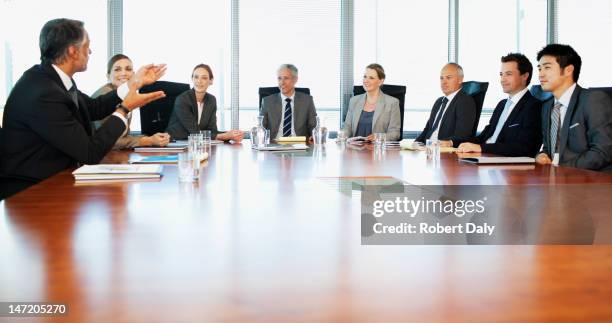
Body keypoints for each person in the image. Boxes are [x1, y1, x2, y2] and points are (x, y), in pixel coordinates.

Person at [0, 18, 166, 194]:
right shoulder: (43, 92)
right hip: (29, 193)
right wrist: (124, 109)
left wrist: (134, 82)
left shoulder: (53, 79)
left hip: (55, 181)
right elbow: (89, 153)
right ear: (73, 51)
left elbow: (94, 107)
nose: (90, 51)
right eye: (87, 46)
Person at [442, 53, 542, 156]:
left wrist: (481, 148)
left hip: (503, 164)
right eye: (501, 74)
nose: (502, 79)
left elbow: (524, 147)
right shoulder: (502, 105)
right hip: (485, 157)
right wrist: (452, 143)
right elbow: (483, 137)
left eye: (508, 74)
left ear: (525, 76)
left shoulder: (533, 106)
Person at [535, 44, 612, 172]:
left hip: (589, 181)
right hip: (556, 180)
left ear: (568, 70)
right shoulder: (547, 106)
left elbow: (603, 151)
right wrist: (542, 155)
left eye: (547, 68)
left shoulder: (593, 99)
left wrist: (561, 168)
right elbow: (549, 149)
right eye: (539, 69)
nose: (541, 74)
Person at [92, 54, 170, 149]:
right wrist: (148, 140)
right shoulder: (103, 97)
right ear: (108, 75)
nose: (124, 73)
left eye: (128, 69)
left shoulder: (127, 94)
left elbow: (123, 136)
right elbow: (110, 141)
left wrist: (151, 138)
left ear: (133, 74)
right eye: (117, 69)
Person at [166, 64, 243, 141]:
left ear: (211, 81)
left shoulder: (211, 100)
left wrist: (232, 135)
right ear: (192, 79)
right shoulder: (183, 100)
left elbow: (212, 131)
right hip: (175, 144)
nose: (199, 81)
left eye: (204, 78)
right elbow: (195, 132)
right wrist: (225, 136)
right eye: (196, 77)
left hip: (198, 144)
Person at [415, 63, 477, 144]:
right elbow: (427, 130)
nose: (444, 82)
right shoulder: (439, 102)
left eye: (448, 78)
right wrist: (415, 143)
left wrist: (446, 143)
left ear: (460, 80)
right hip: (427, 149)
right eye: (441, 78)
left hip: (444, 151)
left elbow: (462, 136)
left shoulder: (465, 101)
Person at [342, 63, 401, 141]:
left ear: (381, 81)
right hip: (355, 149)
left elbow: (395, 133)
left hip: (377, 150)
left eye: (371, 78)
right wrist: (343, 136)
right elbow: (347, 127)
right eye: (365, 77)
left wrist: (378, 137)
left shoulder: (392, 103)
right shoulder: (354, 101)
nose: (366, 80)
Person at [260, 64, 317, 139]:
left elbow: (313, 126)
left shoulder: (307, 100)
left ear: (295, 80)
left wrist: (313, 136)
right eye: (279, 78)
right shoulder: (267, 101)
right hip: (274, 145)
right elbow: (260, 127)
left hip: (299, 145)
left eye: (286, 78)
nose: (282, 82)